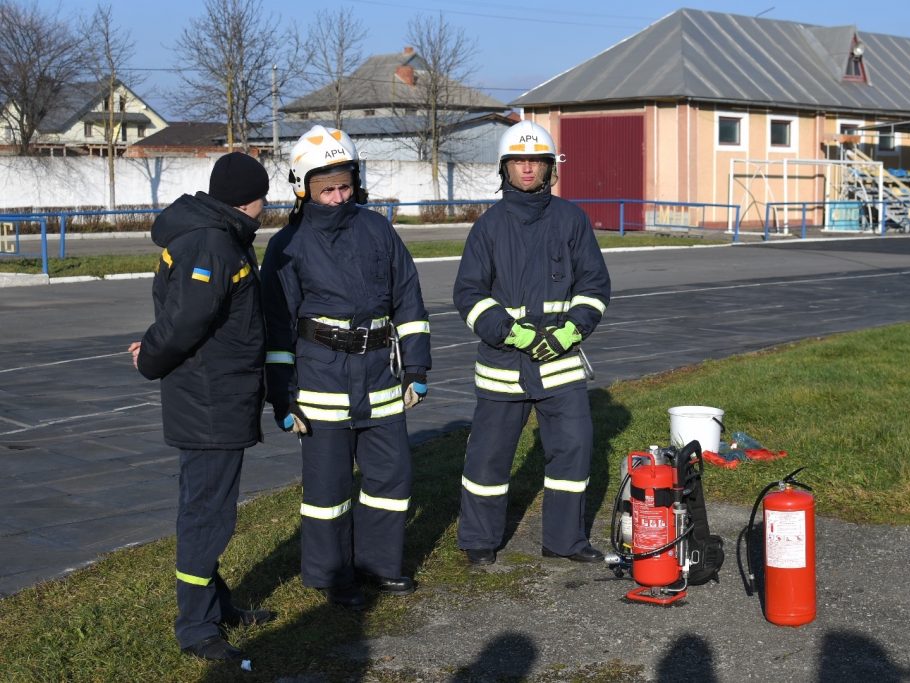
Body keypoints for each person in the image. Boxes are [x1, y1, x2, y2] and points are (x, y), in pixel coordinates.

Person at [262, 125, 431, 611]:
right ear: (303, 189)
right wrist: (282, 396)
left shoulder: (378, 229)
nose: (338, 197)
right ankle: (330, 575)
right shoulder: (287, 246)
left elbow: (409, 300)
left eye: (345, 185)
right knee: (327, 491)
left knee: (390, 480)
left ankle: (380, 565)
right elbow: (277, 328)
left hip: (380, 378)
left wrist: (416, 368)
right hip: (321, 383)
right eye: (326, 189)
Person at [129, 152, 275, 661]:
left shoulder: (215, 236)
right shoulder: (213, 243)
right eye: (264, 197)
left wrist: (152, 344)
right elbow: (186, 321)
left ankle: (216, 605)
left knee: (207, 508)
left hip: (217, 395)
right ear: (248, 198)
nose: (266, 207)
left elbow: (182, 316)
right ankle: (197, 627)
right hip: (211, 402)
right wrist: (149, 357)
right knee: (207, 516)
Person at [453, 120, 611, 566]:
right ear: (505, 167)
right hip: (504, 363)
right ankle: (479, 541)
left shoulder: (571, 220)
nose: (528, 169)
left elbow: (594, 286)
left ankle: (565, 540)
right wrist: (512, 332)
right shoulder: (488, 226)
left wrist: (570, 331)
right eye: (520, 161)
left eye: (536, 161)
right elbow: (468, 294)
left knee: (574, 448)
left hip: (559, 363)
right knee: (489, 457)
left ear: (550, 168)